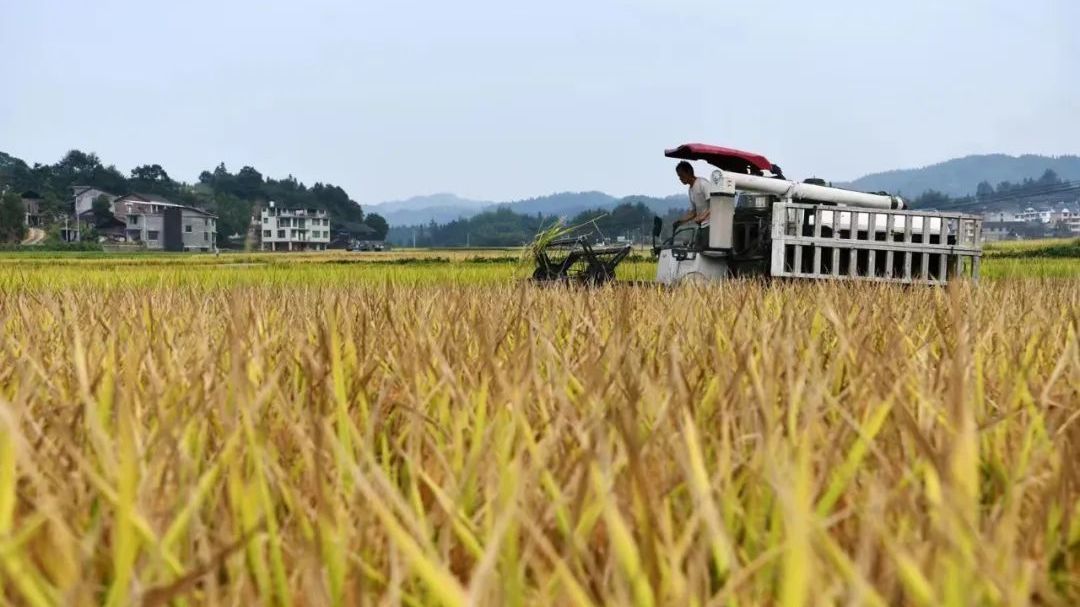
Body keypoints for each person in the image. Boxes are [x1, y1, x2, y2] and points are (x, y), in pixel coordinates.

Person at [674, 161, 711, 229]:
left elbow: (715, 204)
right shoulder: (690, 190)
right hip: (701, 226)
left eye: (681, 175)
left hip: (710, 225)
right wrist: (681, 221)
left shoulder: (702, 183)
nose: (680, 178)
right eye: (679, 176)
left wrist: (703, 216)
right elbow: (694, 212)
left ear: (688, 172)